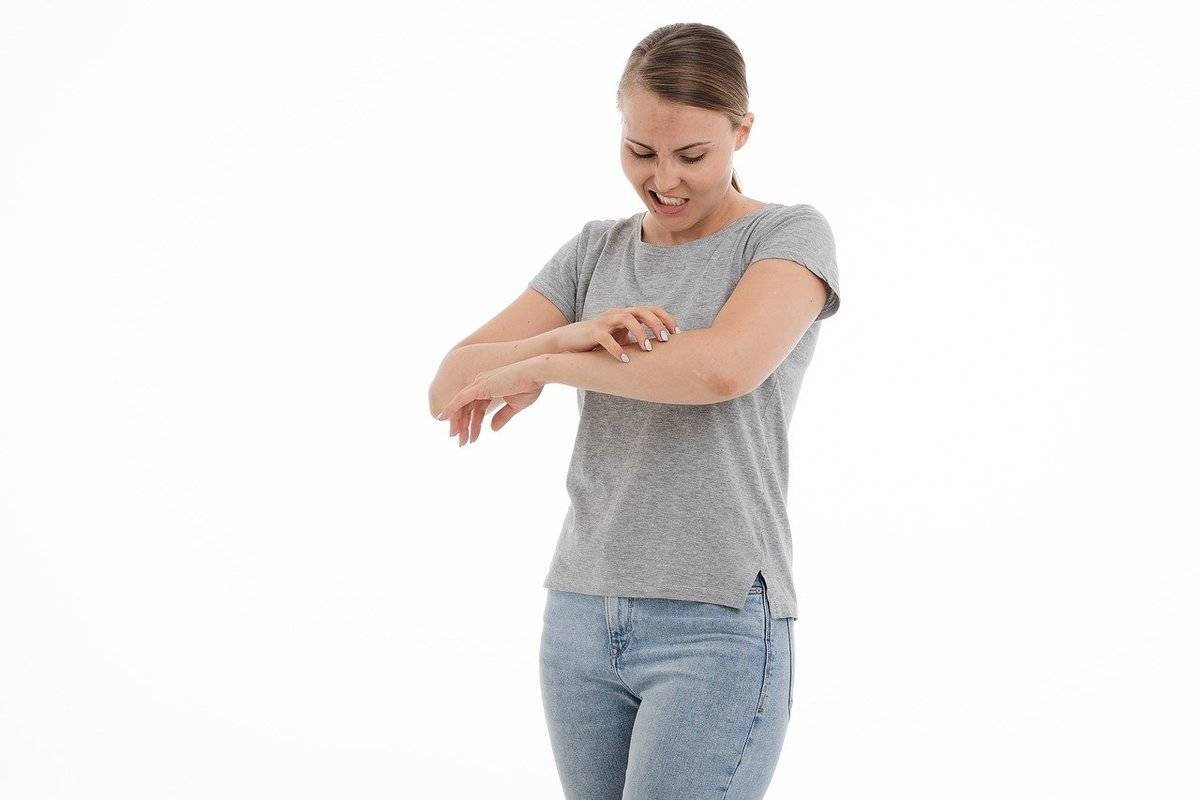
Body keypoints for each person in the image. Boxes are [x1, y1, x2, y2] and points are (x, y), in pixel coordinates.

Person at [429, 22, 841, 800]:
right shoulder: (595, 252)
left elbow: (722, 368)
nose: (664, 181)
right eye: (640, 153)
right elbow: (449, 381)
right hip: (581, 613)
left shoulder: (787, 237)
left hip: (716, 619)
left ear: (741, 131)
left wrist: (550, 364)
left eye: (692, 155)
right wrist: (570, 331)